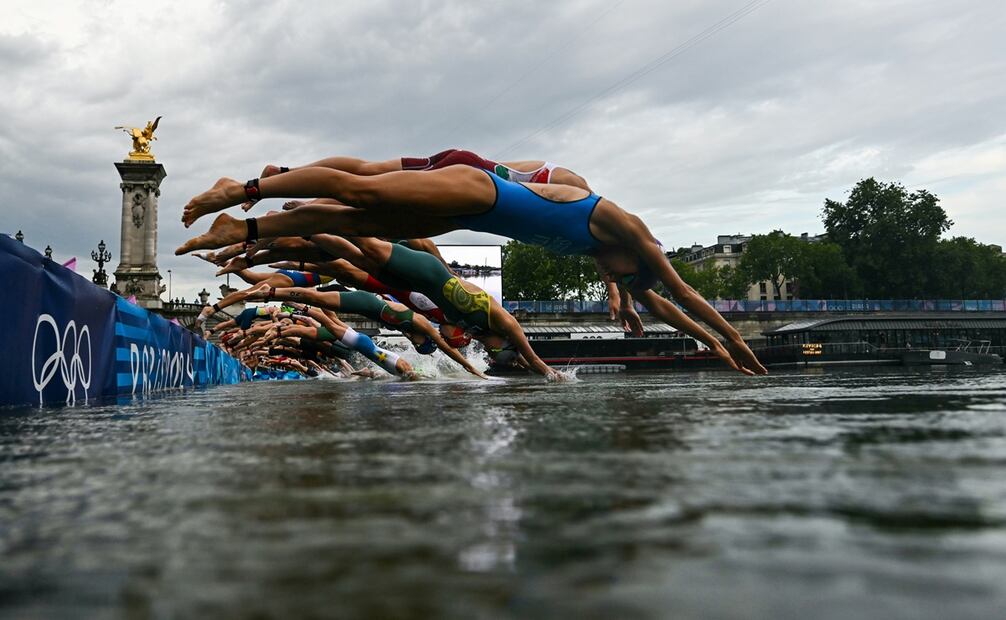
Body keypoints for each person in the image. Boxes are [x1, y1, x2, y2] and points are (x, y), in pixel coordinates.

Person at [178, 163, 767, 375]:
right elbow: (683, 291)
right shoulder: (626, 228)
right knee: (361, 193)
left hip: (473, 214)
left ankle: (246, 230)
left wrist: (715, 350)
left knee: (357, 221)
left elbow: (667, 307)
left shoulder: (615, 262)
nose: (622, 284)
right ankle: (244, 191)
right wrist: (735, 336)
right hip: (480, 188)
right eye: (627, 281)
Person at [245, 284, 488, 379]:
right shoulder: (422, 325)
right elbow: (444, 347)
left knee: (327, 317)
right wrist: (472, 369)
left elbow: (376, 371)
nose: (414, 346)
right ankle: (277, 293)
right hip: (369, 306)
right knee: (323, 311)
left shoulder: (412, 330)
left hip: (369, 322)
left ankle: (289, 302)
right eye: (418, 345)